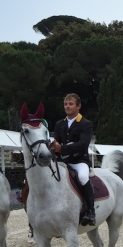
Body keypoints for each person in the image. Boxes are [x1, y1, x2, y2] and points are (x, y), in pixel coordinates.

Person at [49, 93, 95, 226]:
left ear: (78, 106)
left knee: (82, 177)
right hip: (63, 161)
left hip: (80, 161)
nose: (67, 106)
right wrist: (53, 146)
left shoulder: (85, 124)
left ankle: (91, 212)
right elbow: (57, 140)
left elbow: (83, 144)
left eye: (71, 104)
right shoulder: (59, 124)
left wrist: (61, 148)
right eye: (65, 104)